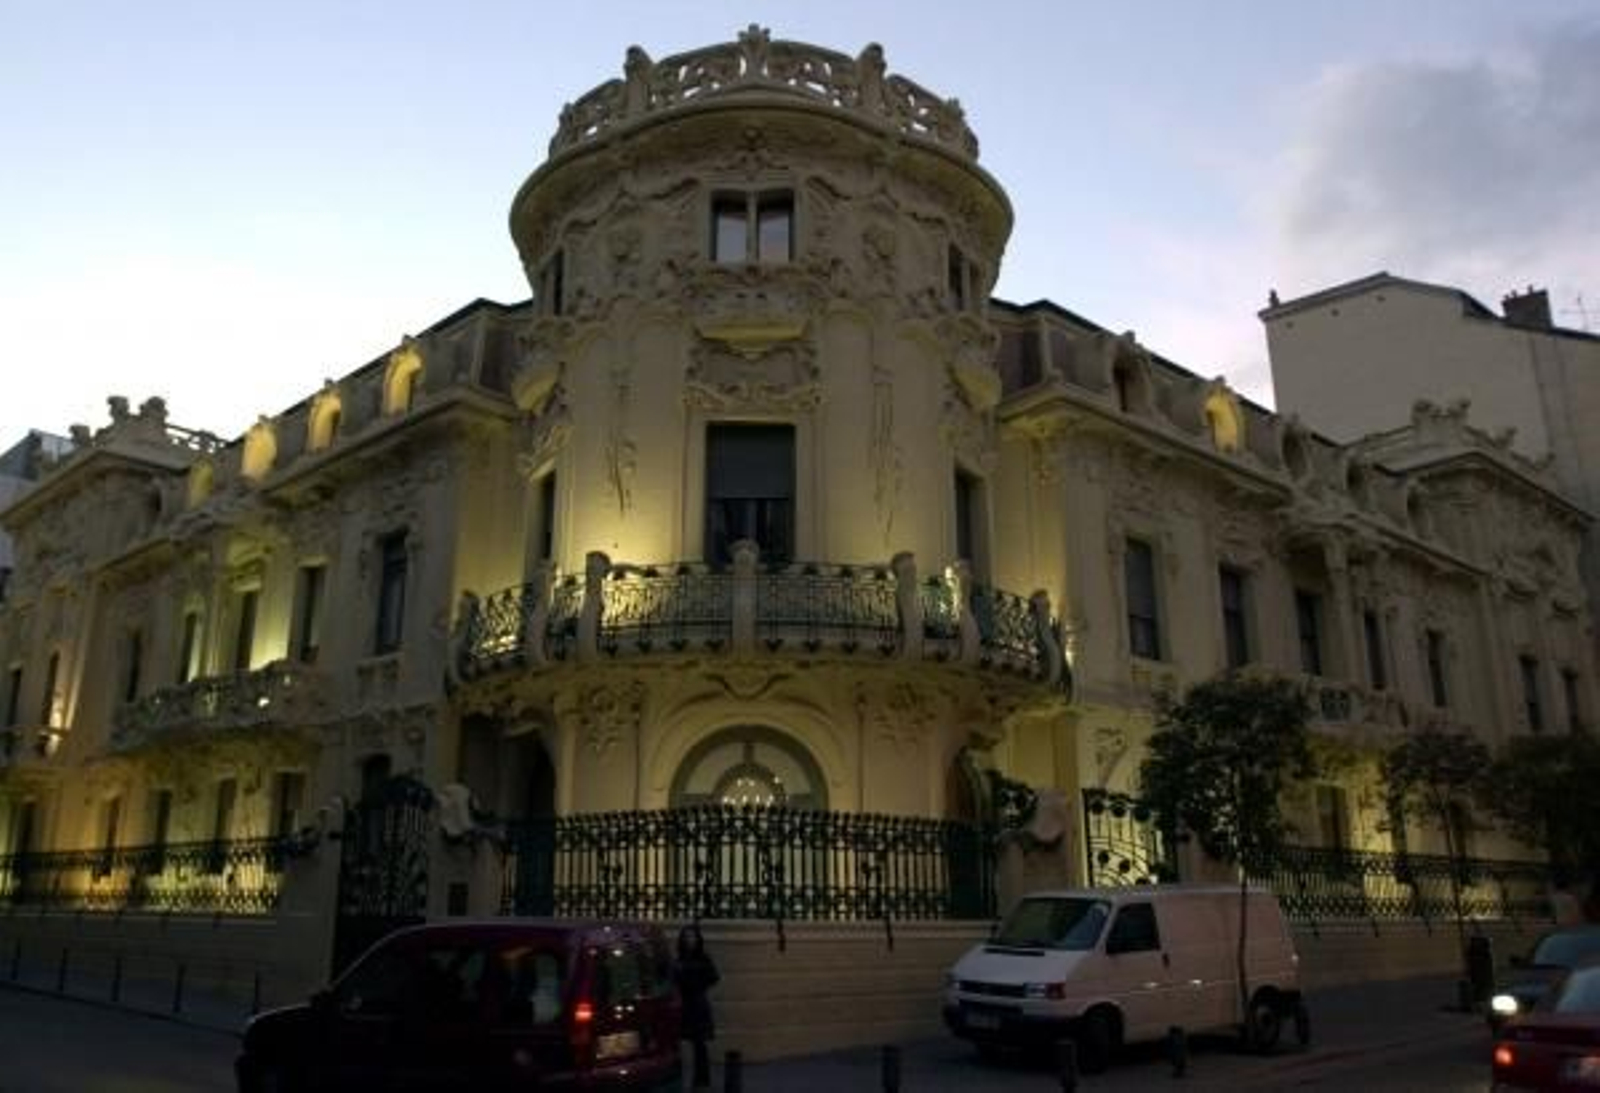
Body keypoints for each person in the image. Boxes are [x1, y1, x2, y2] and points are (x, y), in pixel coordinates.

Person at [674, 924, 720, 1089]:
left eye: (692, 937)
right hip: (684, 1004)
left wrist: (698, 985)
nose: (690, 940)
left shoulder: (703, 958)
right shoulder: (680, 959)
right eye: (687, 937)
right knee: (686, 1043)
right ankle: (687, 1080)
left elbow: (713, 977)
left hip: (698, 1004)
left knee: (699, 1044)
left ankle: (702, 1080)